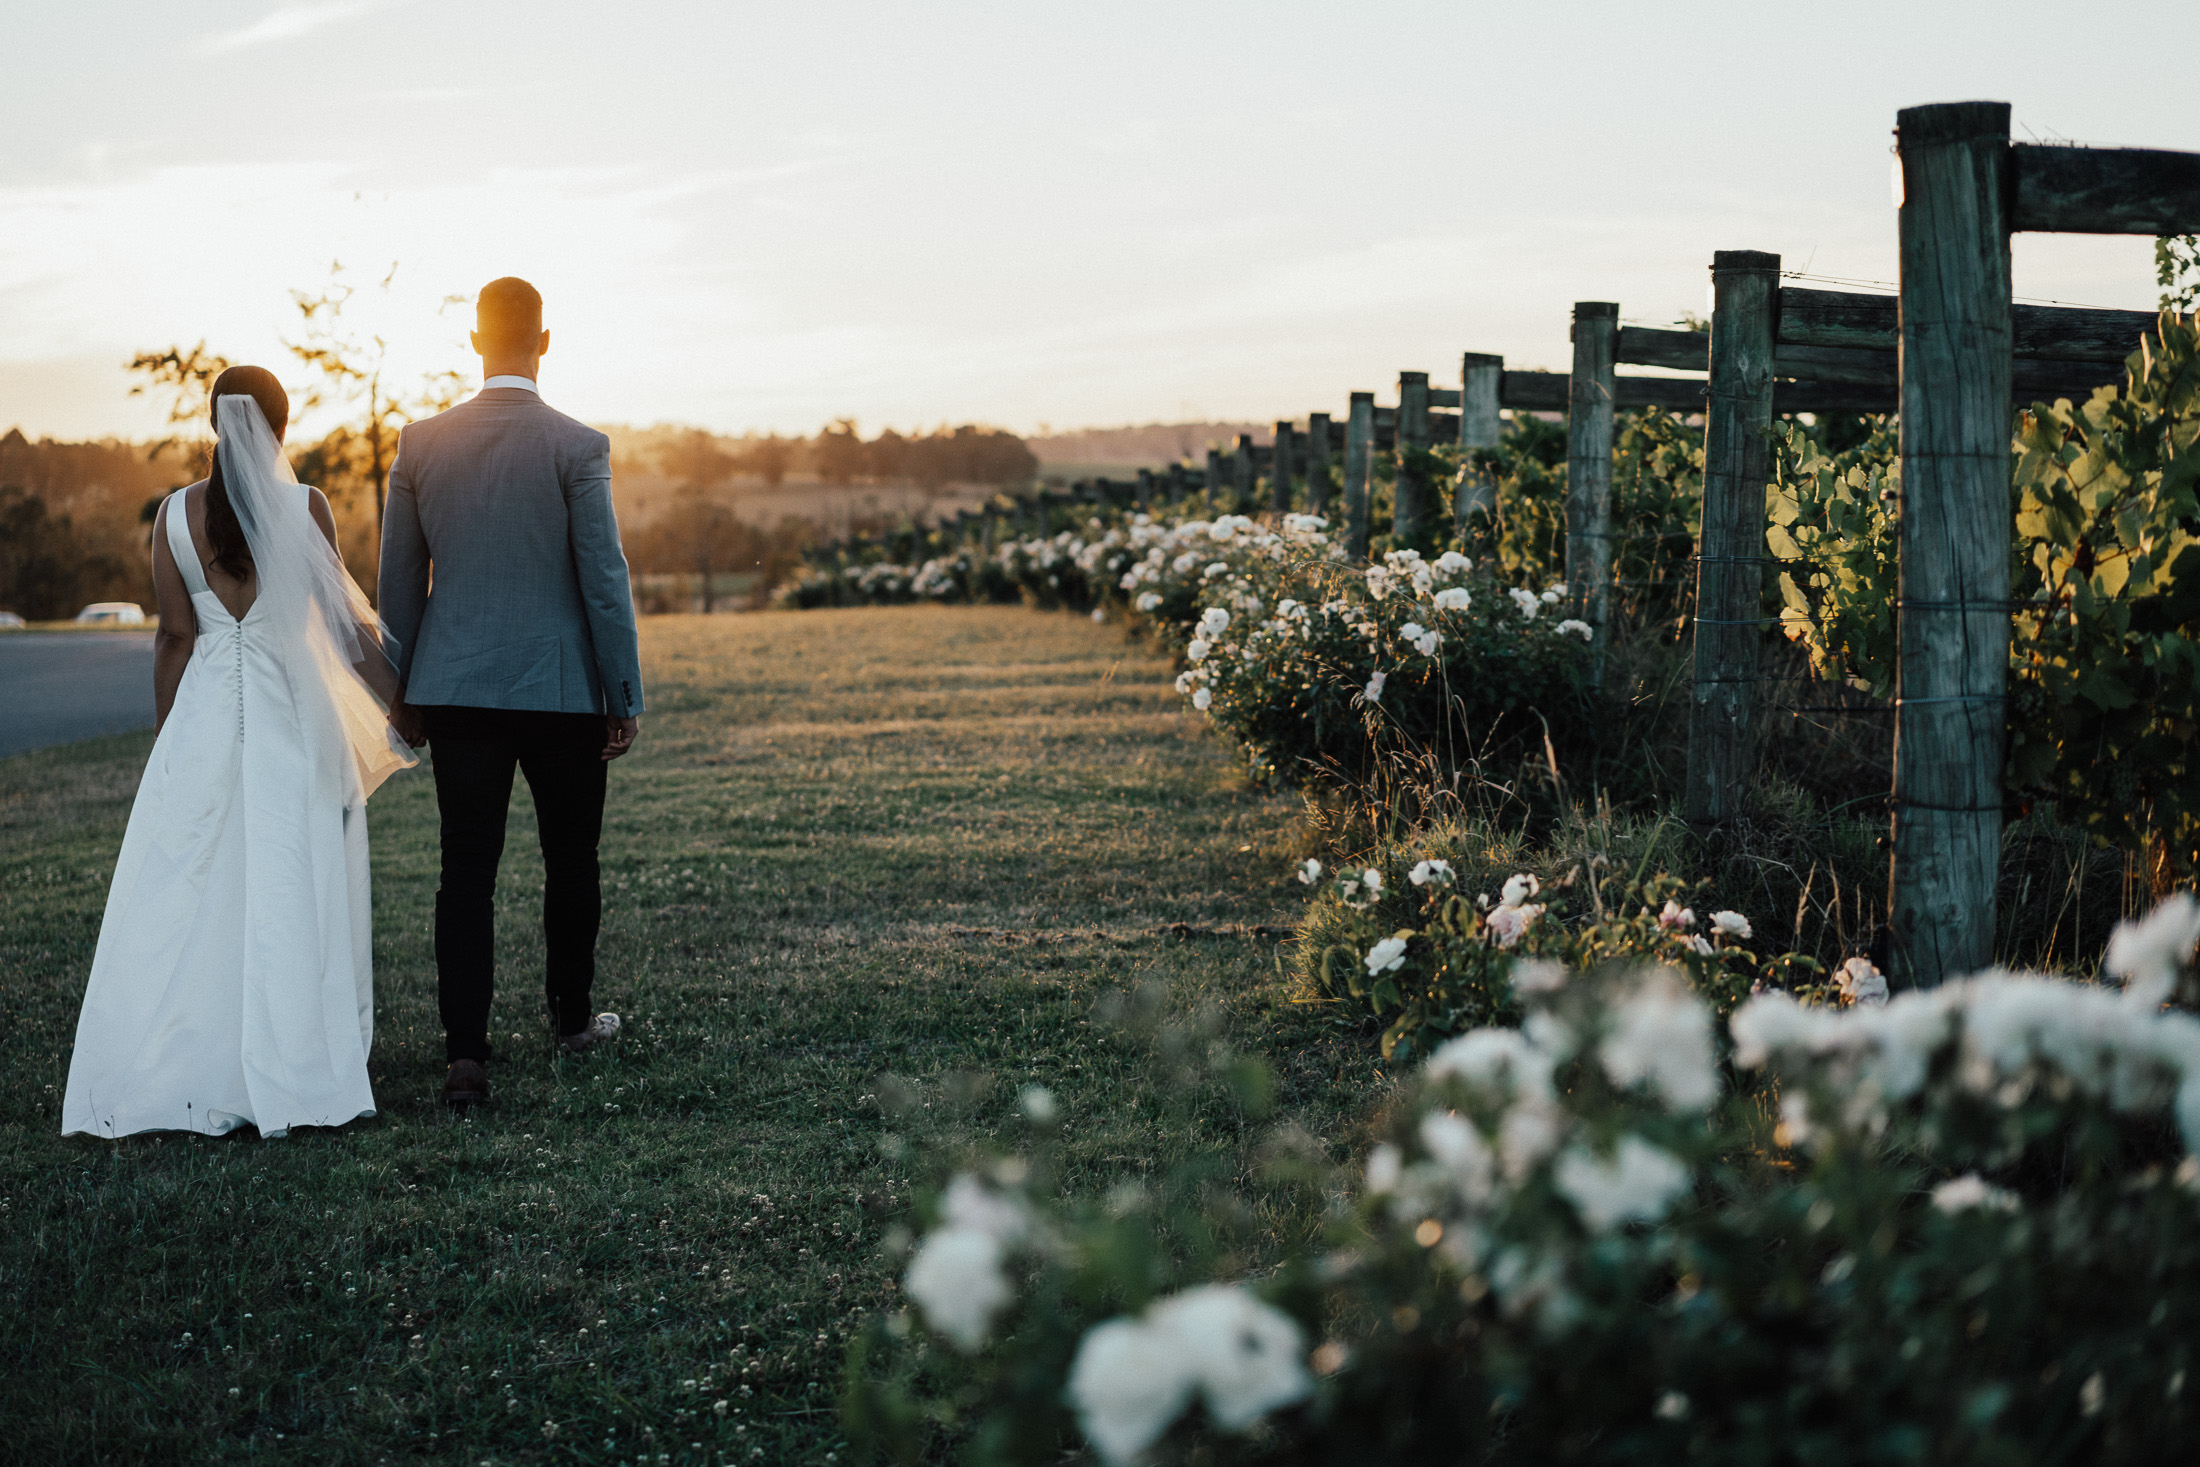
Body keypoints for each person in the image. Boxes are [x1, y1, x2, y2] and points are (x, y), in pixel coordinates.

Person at [62, 367, 418, 1139]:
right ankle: (299, 1054)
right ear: (281, 428)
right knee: (296, 879)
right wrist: (402, 702)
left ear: (216, 426)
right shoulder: (306, 507)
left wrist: (169, 736)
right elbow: (345, 629)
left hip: (205, 716)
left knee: (194, 884)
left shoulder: (173, 516)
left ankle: (187, 1056)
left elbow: (174, 637)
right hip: (294, 715)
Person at [379, 276, 644, 1109]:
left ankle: (466, 1055)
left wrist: (404, 687)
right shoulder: (579, 446)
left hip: (456, 689)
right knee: (571, 859)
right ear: (545, 341)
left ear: (474, 343)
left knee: (466, 870)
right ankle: (570, 1021)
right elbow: (604, 577)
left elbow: (397, 583)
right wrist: (621, 689)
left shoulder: (418, 444)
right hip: (563, 691)